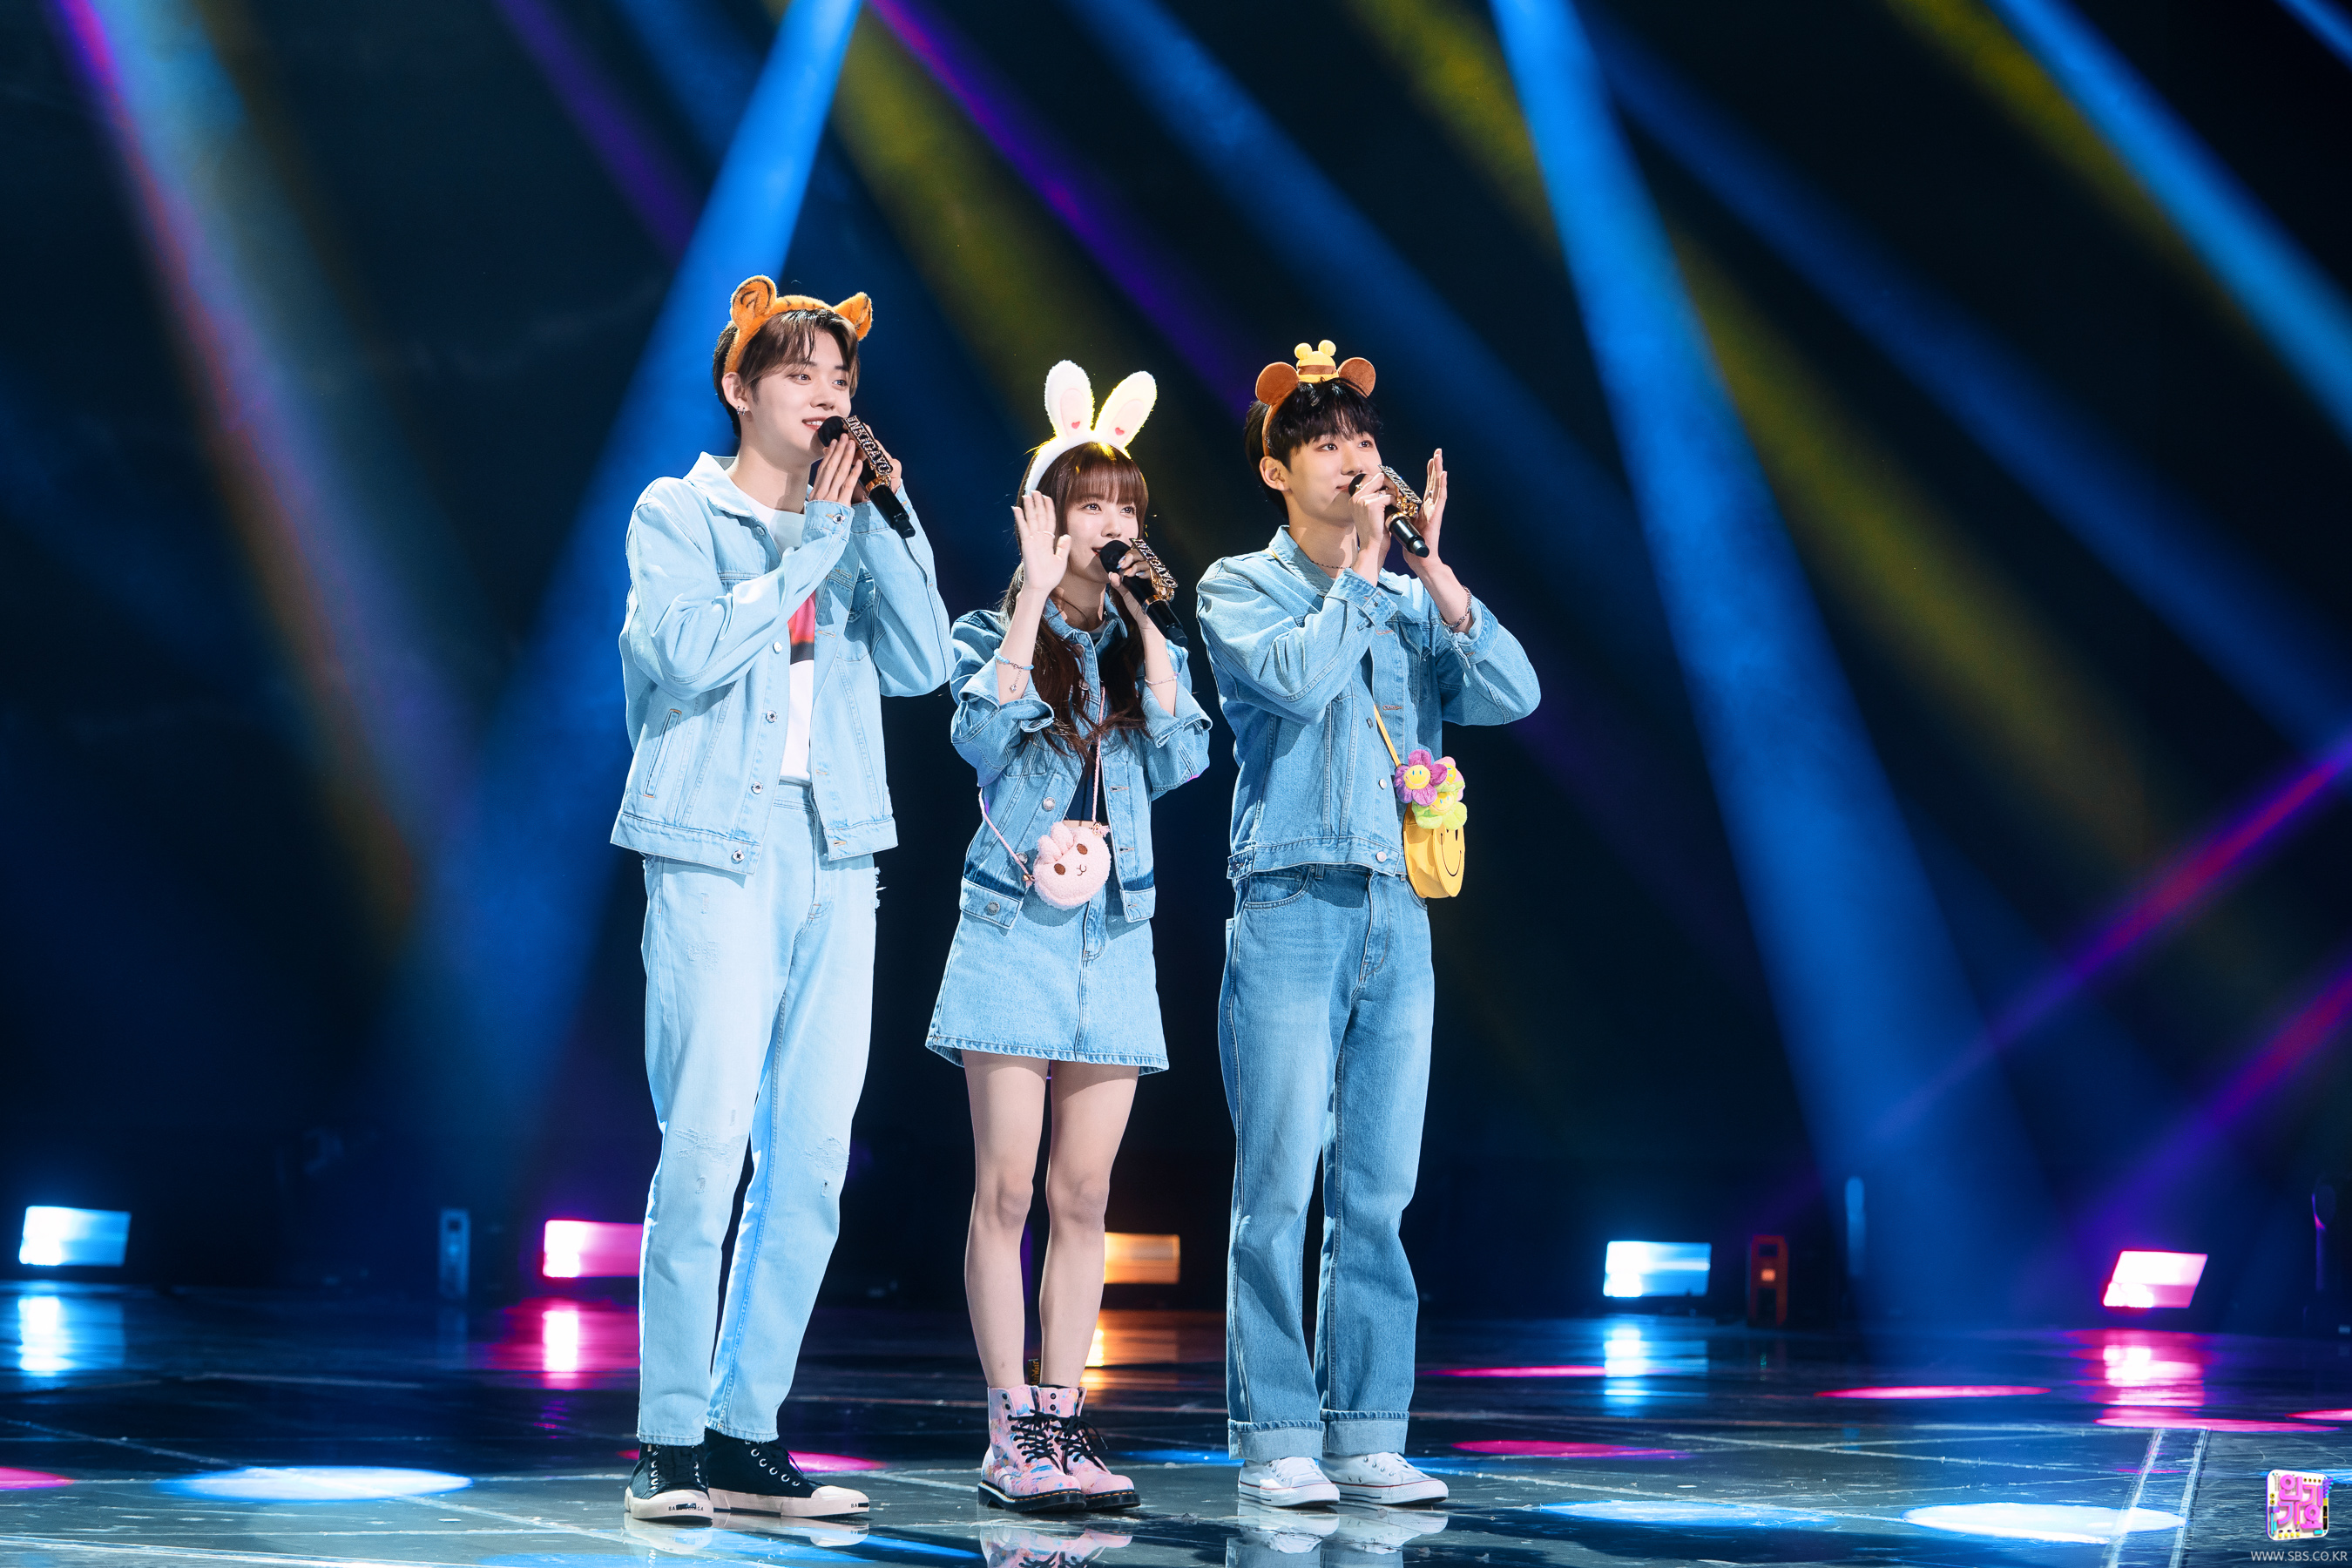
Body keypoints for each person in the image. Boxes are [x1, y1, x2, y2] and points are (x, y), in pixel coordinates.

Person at [612, 276, 953, 1524]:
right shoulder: (677, 511)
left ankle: (743, 1430)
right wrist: (811, 544)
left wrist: (885, 520)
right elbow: (684, 651)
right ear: (740, 386)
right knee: (705, 1145)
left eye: (840, 379)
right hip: (716, 841)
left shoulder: (852, 523)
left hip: (839, 848)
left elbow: (925, 664)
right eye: (801, 374)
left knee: (810, 1162)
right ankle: (666, 1439)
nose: (825, 396)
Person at [1194, 341, 1540, 1507]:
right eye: (1329, 444)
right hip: (1290, 897)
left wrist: (1434, 572)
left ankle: (1368, 1429)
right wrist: (1357, 577)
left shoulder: (1406, 597)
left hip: (1397, 908)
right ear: (1277, 470)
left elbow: (1515, 694)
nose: (1356, 459)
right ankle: (1276, 1437)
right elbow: (1294, 682)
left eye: (1365, 442)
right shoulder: (1238, 587)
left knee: (1379, 1187)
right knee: (1278, 1183)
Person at [926, 362, 1210, 1512]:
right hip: (1012, 931)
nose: (1112, 523)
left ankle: (1063, 1419)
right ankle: (1008, 1432)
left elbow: (1186, 759)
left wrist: (1149, 626)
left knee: (1084, 1195)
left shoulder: (1142, 650)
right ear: (1045, 516)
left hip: (1114, 939)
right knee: (1006, 1190)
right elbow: (979, 738)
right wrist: (1035, 601)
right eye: (1091, 503)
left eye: (1126, 506)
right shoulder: (991, 631)